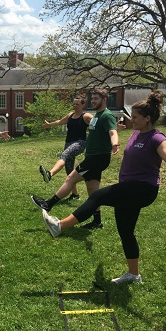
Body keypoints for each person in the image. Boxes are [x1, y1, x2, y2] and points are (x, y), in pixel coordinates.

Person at [41, 91, 166, 284]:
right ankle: (134, 275)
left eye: (135, 117)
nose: (131, 119)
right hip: (130, 187)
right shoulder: (137, 133)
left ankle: (59, 225)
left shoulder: (157, 138)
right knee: (125, 231)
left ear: (147, 118)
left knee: (98, 197)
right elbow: (112, 132)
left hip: (143, 189)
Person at [31, 88, 119, 229]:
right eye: (93, 99)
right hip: (94, 157)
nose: (93, 101)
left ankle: (48, 204)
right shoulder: (97, 115)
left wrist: (115, 142)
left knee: (71, 178)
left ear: (105, 100)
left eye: (96, 99)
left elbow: (112, 131)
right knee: (92, 191)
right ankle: (97, 221)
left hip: (97, 158)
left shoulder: (106, 115)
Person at [38, 94, 93, 201]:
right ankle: (75, 195)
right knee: (69, 171)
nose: (75, 106)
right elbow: (59, 122)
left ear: (83, 105)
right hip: (68, 143)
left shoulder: (86, 116)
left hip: (80, 143)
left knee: (64, 155)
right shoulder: (70, 116)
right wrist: (49, 125)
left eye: (77, 104)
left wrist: (114, 127)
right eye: (74, 104)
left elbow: (98, 122)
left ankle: (50, 174)